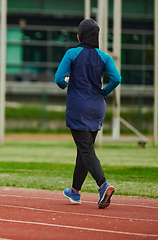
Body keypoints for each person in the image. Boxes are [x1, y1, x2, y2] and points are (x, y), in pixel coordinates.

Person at [54, 18, 121, 209]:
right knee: (84, 150)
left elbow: (59, 79)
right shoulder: (105, 57)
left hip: (78, 108)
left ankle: (103, 185)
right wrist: (104, 92)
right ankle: (75, 192)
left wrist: (67, 84)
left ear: (80, 35)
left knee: (86, 150)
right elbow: (116, 78)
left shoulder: (72, 53)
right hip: (97, 107)